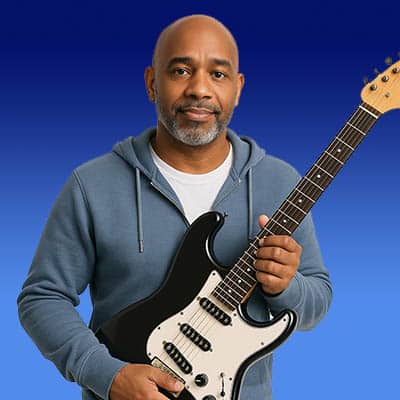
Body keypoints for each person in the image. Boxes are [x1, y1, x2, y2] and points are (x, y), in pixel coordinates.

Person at [18, 14, 332, 400]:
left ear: (237, 89)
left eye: (218, 74)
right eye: (181, 71)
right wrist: (108, 375)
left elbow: (317, 299)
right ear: (152, 82)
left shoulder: (279, 182)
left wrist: (285, 286)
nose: (199, 89)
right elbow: (42, 298)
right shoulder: (92, 184)